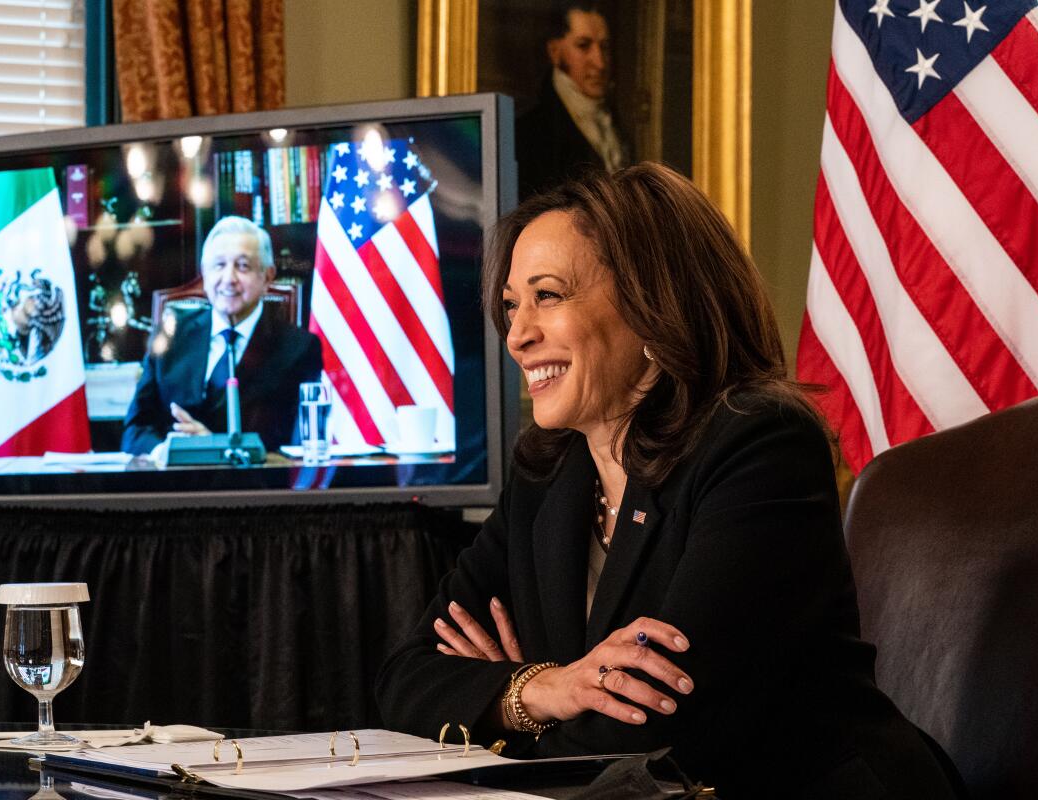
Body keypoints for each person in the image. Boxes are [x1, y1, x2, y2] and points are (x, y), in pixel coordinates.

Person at [376, 164, 960, 798]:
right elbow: (405, 680)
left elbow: (656, 729)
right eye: (513, 304)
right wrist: (542, 688)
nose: (517, 335)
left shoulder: (759, 444)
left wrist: (510, 727)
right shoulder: (546, 475)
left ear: (651, 307)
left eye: (548, 296)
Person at [121, 216, 322, 455]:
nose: (229, 279)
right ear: (204, 274)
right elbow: (134, 431)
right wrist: (166, 451)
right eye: (219, 265)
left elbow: (298, 444)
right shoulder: (170, 336)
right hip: (173, 485)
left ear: (267, 277)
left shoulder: (298, 349)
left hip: (253, 487)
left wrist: (212, 447)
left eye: (243, 266)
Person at [515, 2, 629, 201]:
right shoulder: (531, 132)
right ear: (555, 51)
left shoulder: (615, 121)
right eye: (584, 46)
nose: (600, 63)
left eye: (604, 47)